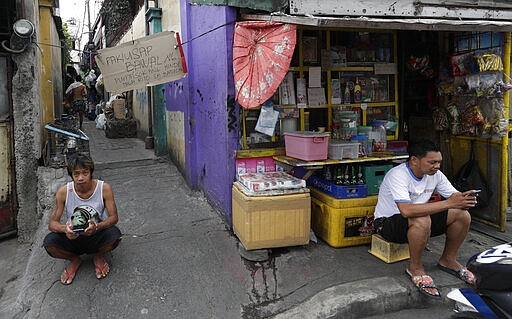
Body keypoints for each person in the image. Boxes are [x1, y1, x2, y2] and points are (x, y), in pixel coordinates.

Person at [373, 139, 478, 298]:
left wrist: (465, 199)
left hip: (419, 222)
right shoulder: (398, 175)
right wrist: (450, 203)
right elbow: (406, 211)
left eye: (439, 162)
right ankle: (415, 268)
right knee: (422, 219)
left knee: (462, 215)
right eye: (432, 162)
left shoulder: (435, 174)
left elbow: (453, 197)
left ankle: (448, 260)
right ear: (414, 160)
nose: (437, 166)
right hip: (388, 225)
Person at [43, 153, 122, 285]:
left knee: (115, 236)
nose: (80, 178)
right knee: (49, 243)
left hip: (96, 233)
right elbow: (52, 224)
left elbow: (114, 218)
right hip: (74, 237)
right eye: (76, 174)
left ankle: (98, 255)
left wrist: (96, 227)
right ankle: (74, 259)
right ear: (71, 175)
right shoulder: (63, 192)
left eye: (85, 173)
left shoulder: (104, 188)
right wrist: (66, 229)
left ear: (91, 172)